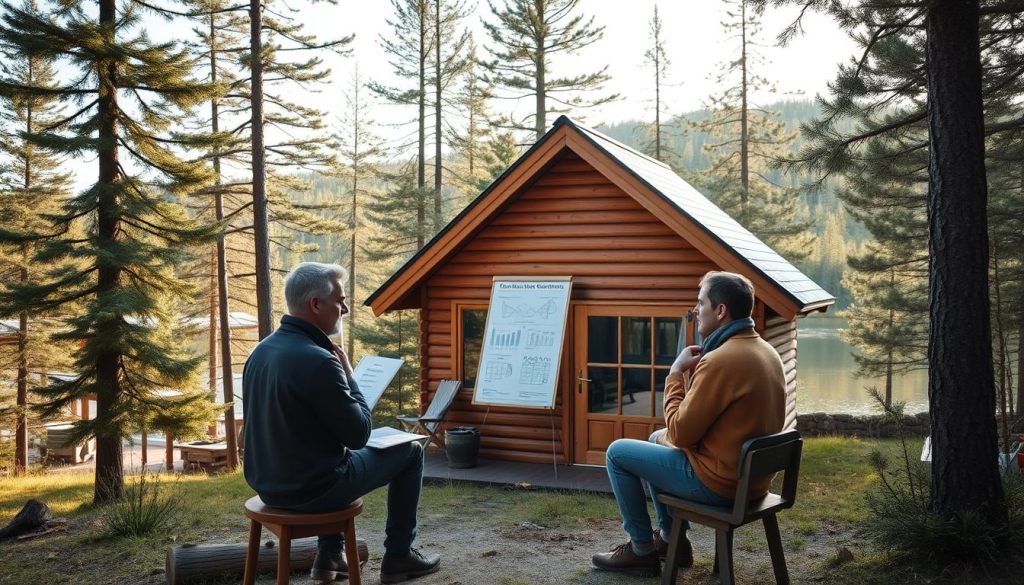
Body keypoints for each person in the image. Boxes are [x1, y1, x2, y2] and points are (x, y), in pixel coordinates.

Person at [243, 262, 440, 584]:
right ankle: (399, 556)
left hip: (267, 484)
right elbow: (360, 434)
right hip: (311, 491)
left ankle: (330, 555)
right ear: (315, 304)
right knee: (411, 452)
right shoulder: (320, 361)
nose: (346, 309)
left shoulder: (262, 351)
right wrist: (350, 376)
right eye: (340, 301)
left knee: (332, 458)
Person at [591, 271, 786, 577]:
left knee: (617, 452)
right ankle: (672, 541)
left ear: (720, 311)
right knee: (657, 437)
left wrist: (675, 373)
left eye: (700, 303)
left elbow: (681, 433)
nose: (696, 310)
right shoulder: (766, 350)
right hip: (753, 480)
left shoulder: (721, 360)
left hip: (722, 485)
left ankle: (641, 551)